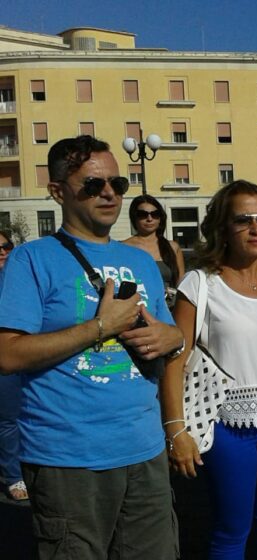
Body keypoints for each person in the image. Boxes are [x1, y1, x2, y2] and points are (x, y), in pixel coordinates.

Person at [0, 135, 183, 558]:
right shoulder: (32, 259)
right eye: (92, 184)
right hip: (68, 458)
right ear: (58, 191)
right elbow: (8, 354)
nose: (108, 193)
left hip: (144, 448)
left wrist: (169, 337)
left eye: (117, 184)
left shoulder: (139, 260)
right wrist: (101, 326)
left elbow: (172, 333)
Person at [161, 180, 257, 559]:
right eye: (242, 219)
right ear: (222, 228)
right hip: (227, 426)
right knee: (233, 529)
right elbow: (174, 361)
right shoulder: (200, 284)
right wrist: (176, 430)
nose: (255, 228)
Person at [0, 230, 27, 502]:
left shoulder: (22, 277)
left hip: (26, 354)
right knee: (8, 419)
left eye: (6, 246)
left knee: (20, 416)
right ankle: (13, 475)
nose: (1, 251)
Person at [123, 194, 185, 307]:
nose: (149, 218)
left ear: (160, 218)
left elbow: (182, 285)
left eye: (155, 214)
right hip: (139, 310)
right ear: (134, 218)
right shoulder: (123, 247)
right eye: (143, 214)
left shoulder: (173, 247)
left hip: (170, 311)